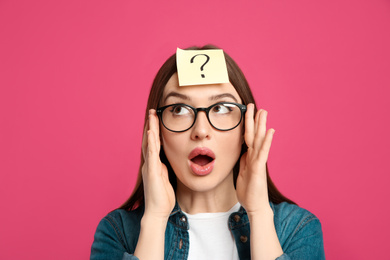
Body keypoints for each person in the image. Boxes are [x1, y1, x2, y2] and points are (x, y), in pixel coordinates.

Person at [90, 45, 325, 260]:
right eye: (179, 109)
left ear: (247, 127)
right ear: (156, 129)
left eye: (221, 108)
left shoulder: (297, 229)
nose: (201, 130)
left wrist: (259, 212)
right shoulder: (118, 233)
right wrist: (155, 219)